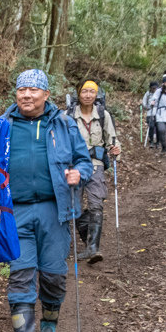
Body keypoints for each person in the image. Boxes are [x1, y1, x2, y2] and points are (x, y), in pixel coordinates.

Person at [0, 69, 93, 332]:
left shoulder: (64, 124)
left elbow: (84, 160)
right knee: (21, 273)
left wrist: (80, 173)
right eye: (21, 90)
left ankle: (50, 322)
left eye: (33, 90)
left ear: (46, 95)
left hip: (56, 209)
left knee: (53, 274)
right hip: (15, 211)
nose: (27, 95)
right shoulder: (2, 126)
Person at [68, 79, 120, 263]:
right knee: (74, 207)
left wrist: (115, 149)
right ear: (78, 93)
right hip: (74, 166)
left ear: (97, 94)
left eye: (92, 91)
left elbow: (112, 139)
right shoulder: (68, 116)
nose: (88, 95)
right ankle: (87, 243)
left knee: (96, 203)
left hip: (96, 164)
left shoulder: (103, 115)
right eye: (84, 91)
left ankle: (93, 248)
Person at [141, 81, 159, 146]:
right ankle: (151, 140)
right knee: (151, 127)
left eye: (155, 88)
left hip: (158, 113)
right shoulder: (148, 94)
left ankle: (158, 141)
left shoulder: (159, 93)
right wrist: (149, 106)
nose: (154, 89)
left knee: (158, 127)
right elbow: (144, 103)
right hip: (149, 112)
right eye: (153, 88)